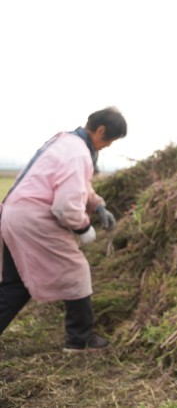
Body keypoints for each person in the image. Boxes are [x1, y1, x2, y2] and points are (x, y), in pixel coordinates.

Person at [0, 107, 127, 352]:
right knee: (76, 271)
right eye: (110, 140)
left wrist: (97, 205)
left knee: (15, 285)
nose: (108, 145)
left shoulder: (65, 142)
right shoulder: (78, 153)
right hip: (35, 220)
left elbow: (78, 185)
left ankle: (80, 336)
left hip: (14, 215)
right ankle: (80, 339)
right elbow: (66, 206)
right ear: (100, 130)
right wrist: (83, 227)